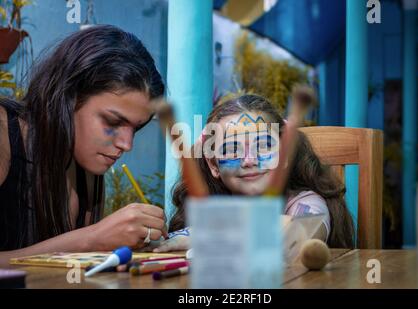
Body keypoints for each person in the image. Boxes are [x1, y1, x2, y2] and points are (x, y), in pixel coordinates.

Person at [0, 25, 167, 267]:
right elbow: (82, 244)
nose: (126, 144)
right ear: (68, 97)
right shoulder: (5, 134)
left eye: (136, 128)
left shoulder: (83, 163)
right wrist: (89, 240)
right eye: (112, 121)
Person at [155, 94, 354, 252]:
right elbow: (175, 242)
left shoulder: (307, 203)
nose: (249, 160)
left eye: (264, 145)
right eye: (232, 148)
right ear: (214, 165)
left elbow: (299, 233)